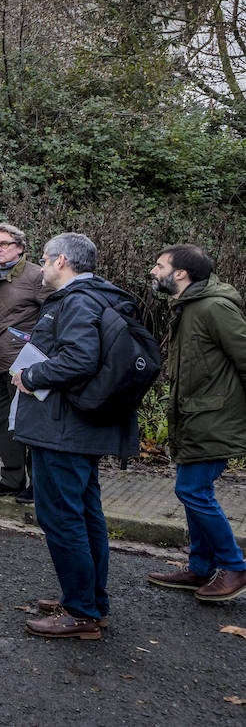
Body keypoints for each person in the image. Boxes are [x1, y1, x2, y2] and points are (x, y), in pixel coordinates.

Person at [13, 232, 140, 640]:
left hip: (63, 430)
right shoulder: (100, 297)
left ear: (62, 261)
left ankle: (82, 611)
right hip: (79, 427)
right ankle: (89, 600)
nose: (43, 267)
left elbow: (80, 358)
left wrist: (30, 374)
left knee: (63, 517)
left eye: (46, 260)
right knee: (85, 515)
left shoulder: (77, 300)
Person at [147, 244, 246, 602]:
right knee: (193, 492)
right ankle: (201, 567)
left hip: (214, 418)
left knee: (192, 491)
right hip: (194, 416)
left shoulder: (213, 307)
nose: (154, 272)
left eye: (160, 266)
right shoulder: (188, 306)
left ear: (182, 274)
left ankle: (234, 566)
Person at [0, 223, 47, 502]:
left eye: (4, 244)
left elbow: (51, 318)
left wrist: (34, 353)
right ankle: (12, 478)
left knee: (26, 425)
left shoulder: (37, 276)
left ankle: (38, 485)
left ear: (20, 247)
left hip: (22, 366)